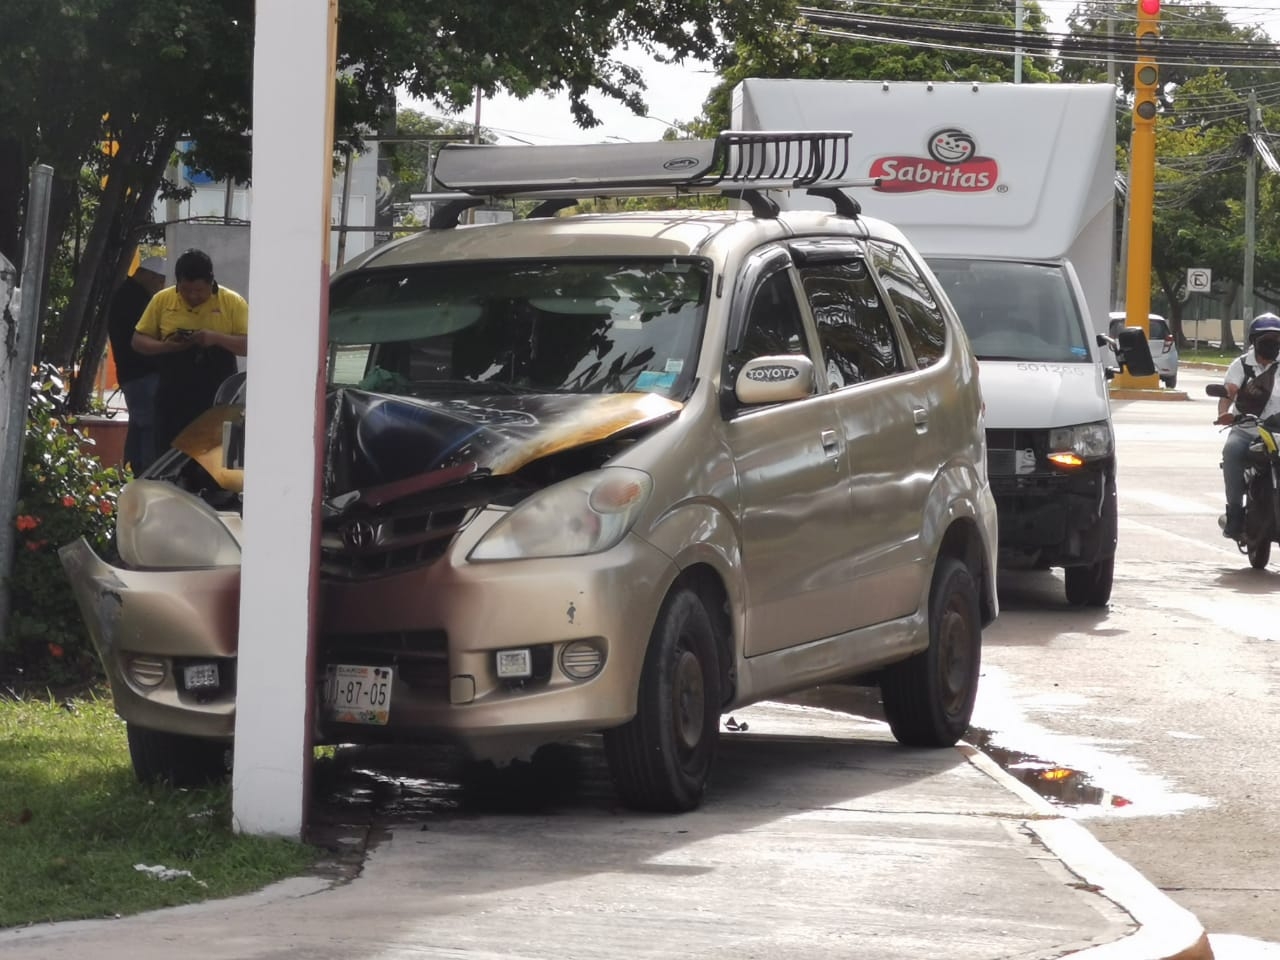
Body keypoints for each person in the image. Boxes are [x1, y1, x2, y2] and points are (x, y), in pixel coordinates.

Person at [132, 248, 248, 456]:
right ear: (177, 284)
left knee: (214, 455)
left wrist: (215, 338)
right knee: (167, 451)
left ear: (211, 283)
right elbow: (138, 341)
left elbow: (250, 346)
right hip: (173, 393)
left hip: (217, 395)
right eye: (186, 290)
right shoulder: (162, 300)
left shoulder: (232, 302)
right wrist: (166, 346)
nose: (193, 296)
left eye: (199, 291)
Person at [1214, 312, 1280, 539]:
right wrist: (1224, 413)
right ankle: (1234, 513)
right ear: (1254, 341)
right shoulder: (1241, 365)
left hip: (1277, 432)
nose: (1273, 344)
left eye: (1277, 339)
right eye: (1267, 340)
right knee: (1231, 452)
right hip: (1247, 429)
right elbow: (1229, 392)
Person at [107, 255, 166, 473]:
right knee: (147, 424)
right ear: (147, 275)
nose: (160, 287)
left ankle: (134, 468)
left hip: (131, 372)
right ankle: (147, 472)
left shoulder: (126, 293)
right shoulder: (136, 298)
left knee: (139, 422)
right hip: (141, 372)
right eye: (159, 281)